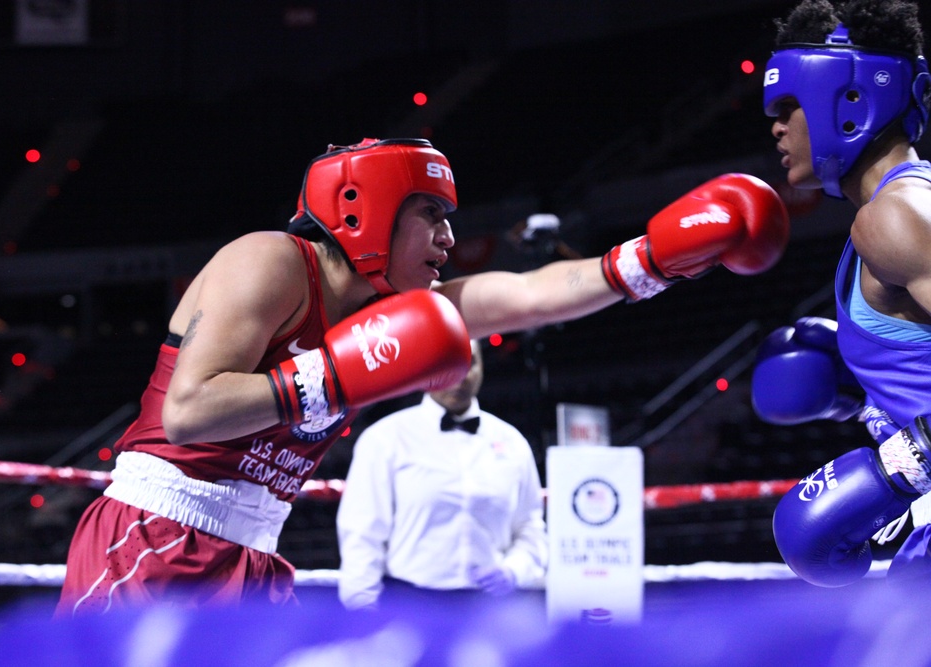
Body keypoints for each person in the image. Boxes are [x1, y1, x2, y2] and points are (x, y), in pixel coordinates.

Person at [55, 137, 789, 616]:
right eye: (430, 214)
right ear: (363, 209)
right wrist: (330, 378)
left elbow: (535, 293)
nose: (447, 237)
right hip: (156, 536)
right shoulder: (273, 261)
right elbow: (188, 411)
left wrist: (652, 259)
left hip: (254, 554)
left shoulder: (397, 311)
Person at [752, 0, 931, 587]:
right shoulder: (897, 214)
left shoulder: (894, 217)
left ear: (848, 98)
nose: (776, 126)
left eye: (788, 106)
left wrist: (912, 459)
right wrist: (867, 394)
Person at [336, 339, 546, 610]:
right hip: (407, 604)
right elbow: (362, 535)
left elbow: (530, 527)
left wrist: (514, 571)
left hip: (487, 609)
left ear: (482, 367)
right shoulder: (385, 439)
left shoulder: (512, 442)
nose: (460, 376)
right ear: (427, 369)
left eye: (469, 363)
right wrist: (361, 611)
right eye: (449, 365)